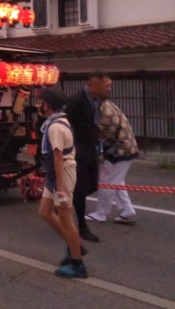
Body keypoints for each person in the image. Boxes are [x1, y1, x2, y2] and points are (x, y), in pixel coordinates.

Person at [36, 88, 88, 279]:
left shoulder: (56, 127)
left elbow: (58, 159)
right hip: (56, 174)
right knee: (45, 212)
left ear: (46, 106)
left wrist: (60, 190)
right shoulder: (55, 122)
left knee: (66, 218)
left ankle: (77, 264)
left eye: (39, 103)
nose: (37, 106)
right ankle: (74, 245)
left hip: (62, 174)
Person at [65, 71, 112, 243]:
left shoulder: (98, 100)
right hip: (77, 151)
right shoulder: (76, 101)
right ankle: (82, 227)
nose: (109, 88)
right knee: (81, 190)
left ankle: (61, 205)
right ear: (93, 85)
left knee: (92, 185)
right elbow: (65, 125)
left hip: (91, 148)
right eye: (106, 85)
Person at [87, 99, 139, 224]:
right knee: (116, 180)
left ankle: (101, 213)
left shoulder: (102, 110)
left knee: (107, 180)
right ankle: (128, 210)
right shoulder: (108, 105)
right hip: (127, 147)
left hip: (119, 150)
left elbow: (100, 130)